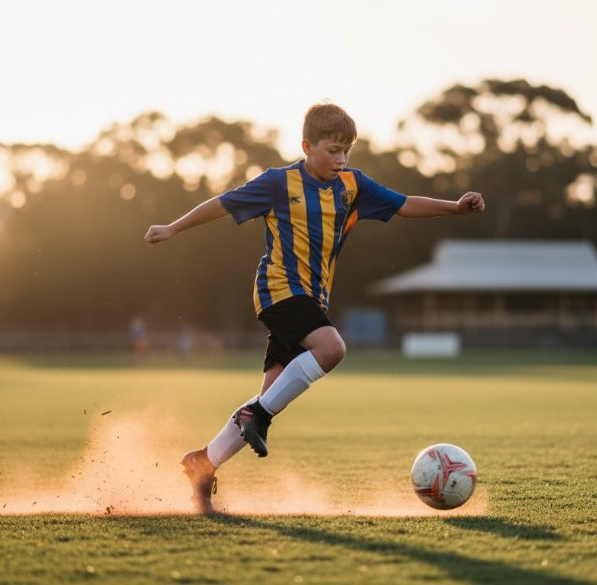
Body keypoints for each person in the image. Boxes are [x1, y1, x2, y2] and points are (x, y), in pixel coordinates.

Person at [144, 104, 485, 514]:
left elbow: (404, 204)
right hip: (278, 290)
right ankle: (256, 416)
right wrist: (173, 227)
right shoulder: (278, 182)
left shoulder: (352, 185)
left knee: (270, 396)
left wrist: (455, 207)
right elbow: (223, 203)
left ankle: (203, 463)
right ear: (307, 146)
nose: (341, 159)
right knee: (332, 349)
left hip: (312, 297)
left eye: (347, 152)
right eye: (332, 150)